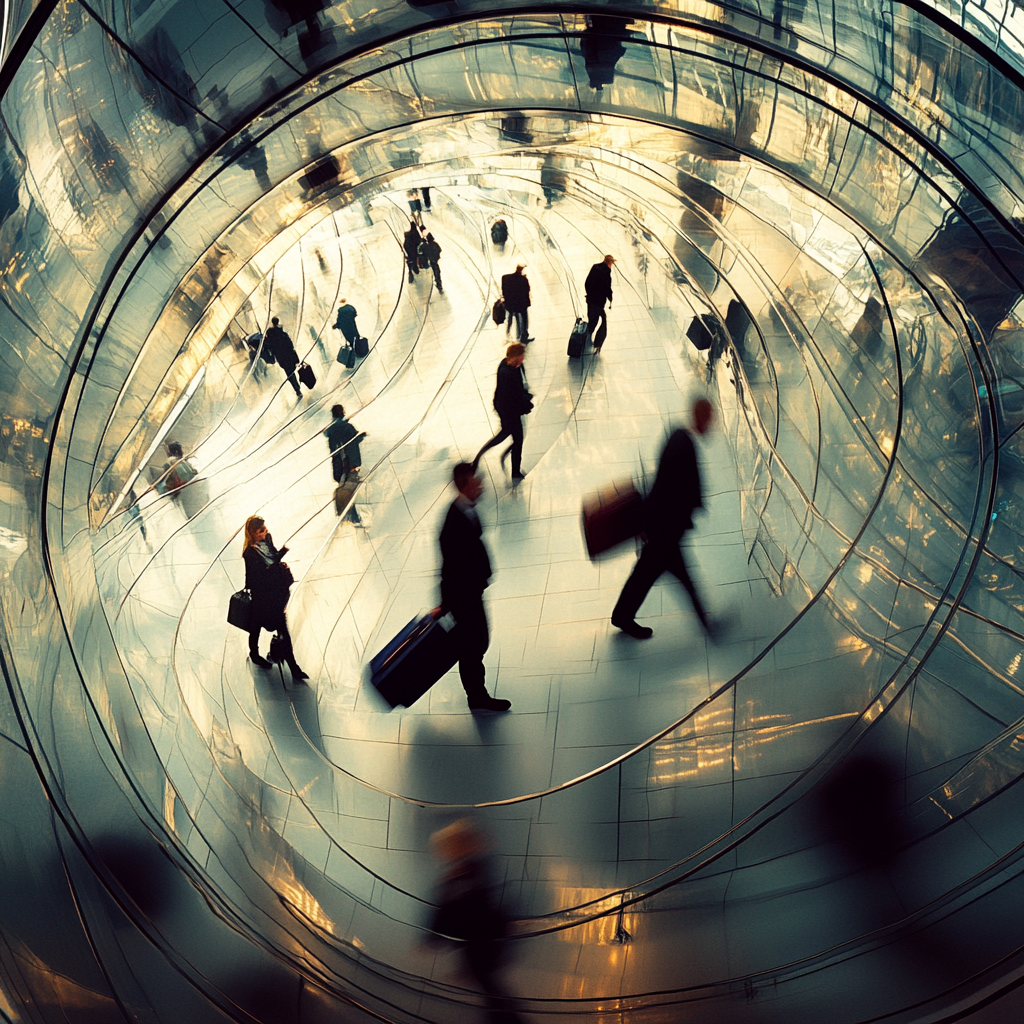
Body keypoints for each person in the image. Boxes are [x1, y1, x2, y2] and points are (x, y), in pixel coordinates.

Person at [611, 398, 716, 640]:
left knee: (646, 574)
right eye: (709, 419)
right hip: (664, 530)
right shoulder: (683, 444)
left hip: (662, 527)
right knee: (672, 577)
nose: (711, 425)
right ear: (701, 417)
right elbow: (671, 490)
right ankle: (707, 624)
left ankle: (622, 615)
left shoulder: (679, 437)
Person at [430, 464, 511, 713]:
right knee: (473, 646)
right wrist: (448, 603)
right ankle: (477, 696)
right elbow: (450, 566)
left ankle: (477, 693)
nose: (482, 486)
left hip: (470, 591)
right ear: (465, 485)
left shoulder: (465, 509)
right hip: (463, 597)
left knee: (477, 643)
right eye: (477, 482)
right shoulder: (453, 521)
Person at [429, 819, 524, 1023]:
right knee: (488, 985)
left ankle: (508, 1016)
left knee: (489, 986)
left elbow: (451, 908)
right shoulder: (471, 871)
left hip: (481, 942)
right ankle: (507, 1014)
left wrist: (431, 937)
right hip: (480, 942)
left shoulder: (465, 875)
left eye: (449, 846)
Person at [242, 515, 308, 681]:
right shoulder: (249, 553)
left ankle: (293, 667)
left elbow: (273, 558)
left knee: (281, 629)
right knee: (255, 626)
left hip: (275, 595)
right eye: (260, 531)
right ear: (252, 534)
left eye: (265, 529)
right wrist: (272, 568)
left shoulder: (267, 540)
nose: (265, 533)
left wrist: (281, 555)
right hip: (262, 597)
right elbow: (256, 576)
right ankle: (255, 654)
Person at [473, 343, 532, 481]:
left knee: (506, 434)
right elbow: (512, 396)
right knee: (516, 439)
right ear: (516, 357)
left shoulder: (509, 366)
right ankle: (515, 472)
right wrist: (524, 405)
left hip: (507, 408)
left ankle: (479, 457)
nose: (523, 358)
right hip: (508, 410)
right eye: (522, 356)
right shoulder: (507, 373)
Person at [323, 404, 365, 526]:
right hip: (349, 463)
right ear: (343, 412)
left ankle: (350, 516)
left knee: (345, 489)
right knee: (349, 490)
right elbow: (354, 440)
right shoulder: (347, 427)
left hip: (338, 465)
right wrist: (361, 435)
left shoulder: (332, 429)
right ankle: (354, 517)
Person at [263, 316, 302, 397]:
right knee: (291, 371)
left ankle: (297, 389)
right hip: (288, 355)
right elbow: (290, 344)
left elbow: (269, 346)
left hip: (281, 357)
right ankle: (298, 387)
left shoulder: (270, 335)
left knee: (289, 373)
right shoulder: (283, 333)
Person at [584, 254, 615, 351]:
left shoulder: (595, 267)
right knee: (597, 320)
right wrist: (610, 299)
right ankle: (591, 340)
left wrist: (589, 294)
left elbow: (587, 282)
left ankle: (589, 338)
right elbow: (607, 288)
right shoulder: (606, 273)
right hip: (598, 302)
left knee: (592, 318)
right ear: (609, 263)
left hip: (590, 300)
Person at [500, 264, 533, 342]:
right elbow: (527, 291)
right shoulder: (523, 280)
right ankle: (523, 335)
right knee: (524, 319)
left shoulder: (505, 278)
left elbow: (504, 290)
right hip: (521, 304)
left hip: (510, 303)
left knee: (510, 318)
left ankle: (507, 335)